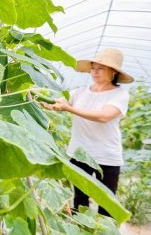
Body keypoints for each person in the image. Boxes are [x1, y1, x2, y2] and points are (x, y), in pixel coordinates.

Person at [42, 48, 133, 217]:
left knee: (107, 206)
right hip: (78, 154)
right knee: (79, 202)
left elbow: (105, 116)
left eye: (100, 68)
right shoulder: (79, 92)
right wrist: (43, 100)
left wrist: (69, 108)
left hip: (106, 157)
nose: (94, 72)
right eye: (93, 68)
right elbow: (59, 103)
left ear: (113, 72)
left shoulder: (120, 94)